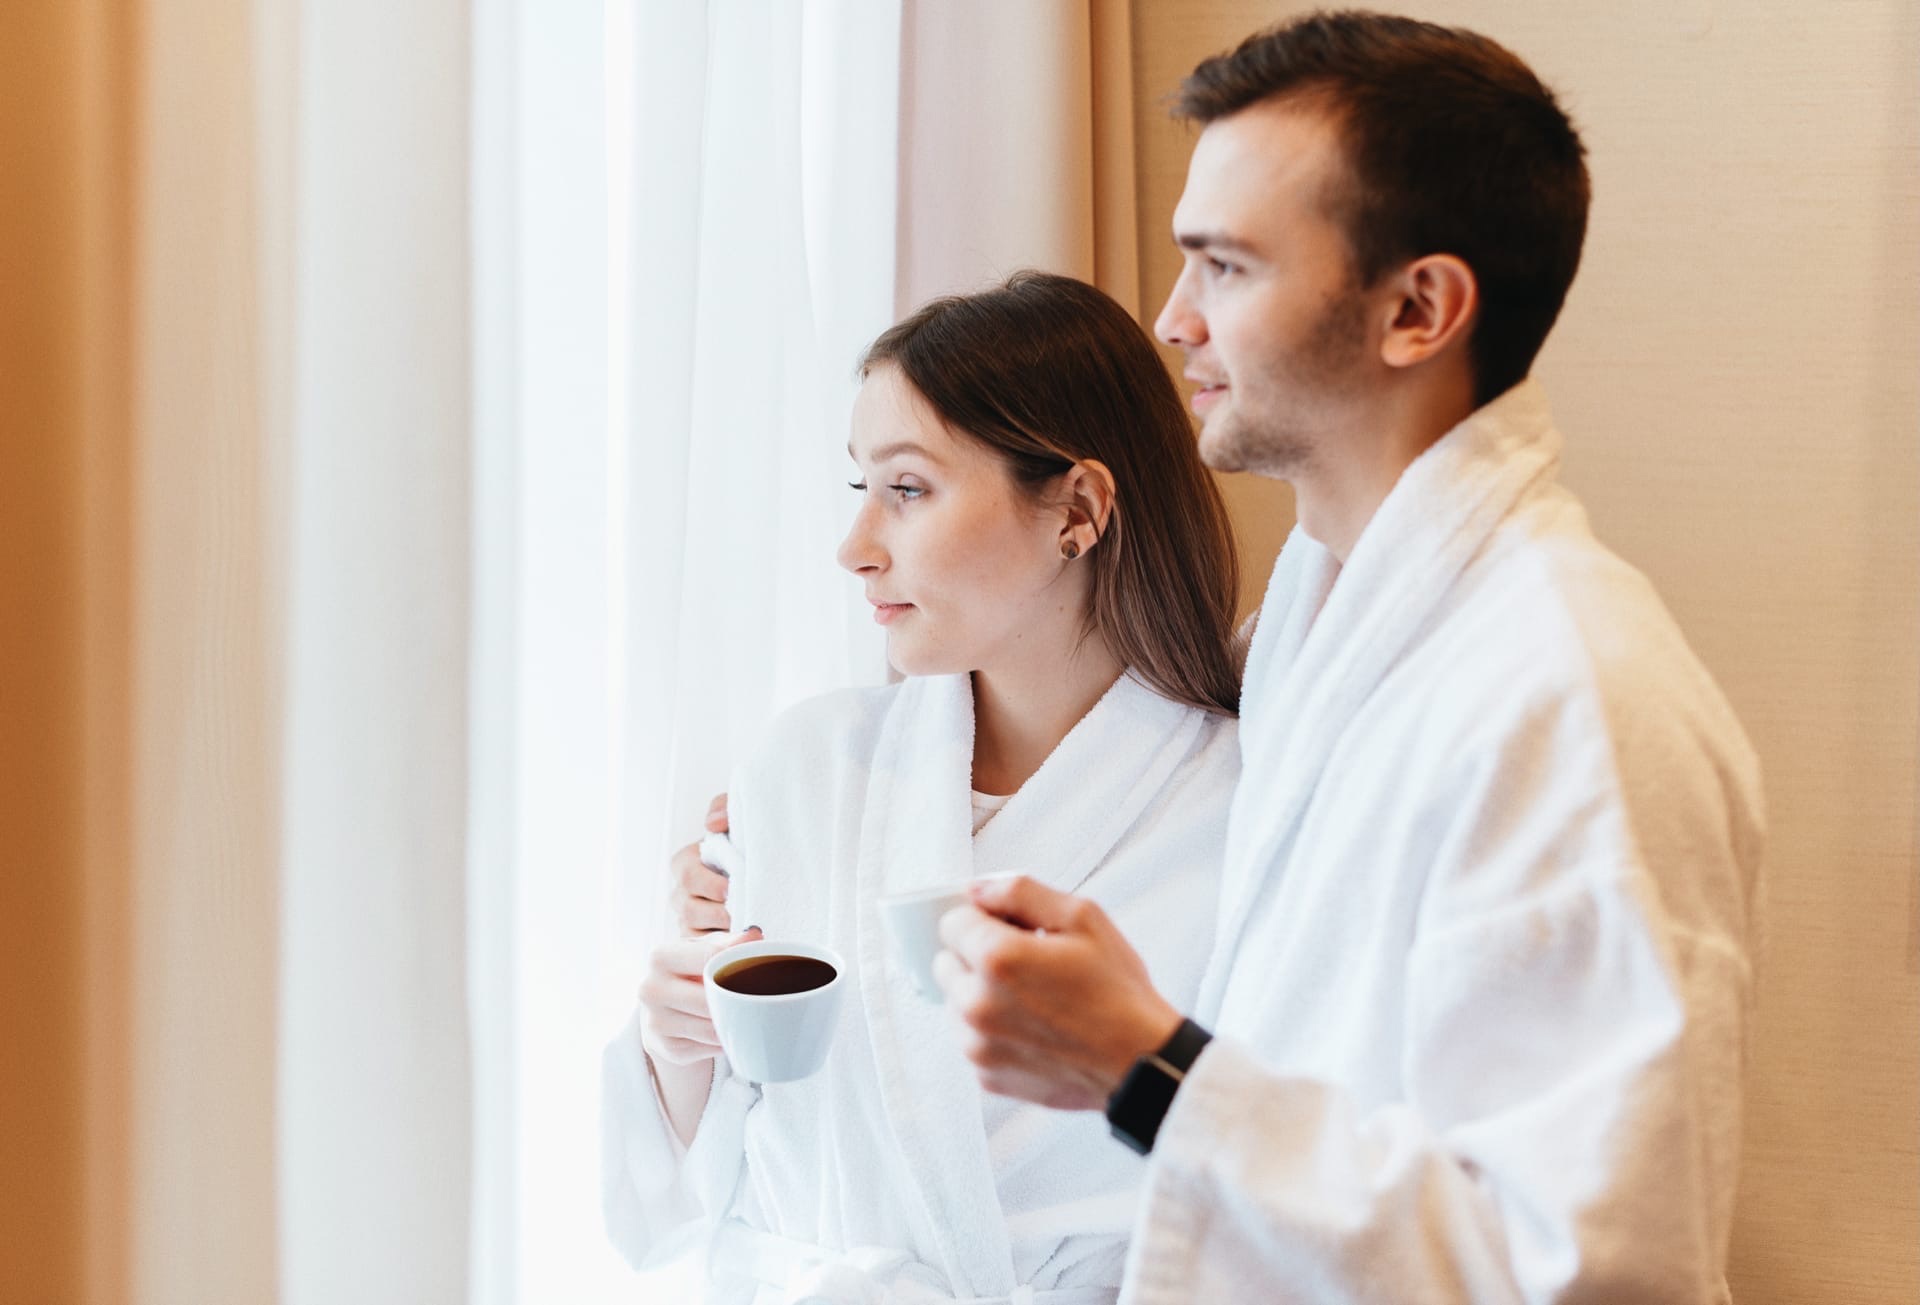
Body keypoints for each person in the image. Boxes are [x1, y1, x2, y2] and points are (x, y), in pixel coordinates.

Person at [929, 13, 1766, 1304]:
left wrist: (1146, 1069)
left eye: (1225, 267)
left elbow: (1597, 1273)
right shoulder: (1323, 618)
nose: (1171, 320)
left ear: (1417, 309)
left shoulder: (1574, 695)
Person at [602, 272, 1245, 1304]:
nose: (855, 550)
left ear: (1077, 509)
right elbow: (699, 1188)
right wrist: (675, 1045)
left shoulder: (1241, 810)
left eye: (907, 489)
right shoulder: (808, 766)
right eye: (861, 489)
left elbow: (1263, 1195)